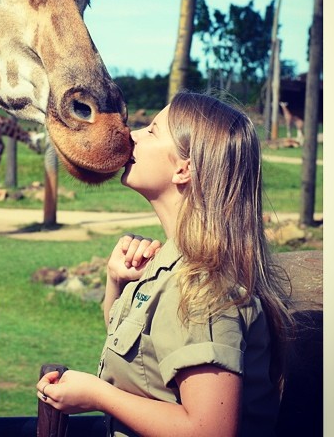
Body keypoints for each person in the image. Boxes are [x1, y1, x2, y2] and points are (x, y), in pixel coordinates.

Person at [36, 91, 292, 437]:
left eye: (152, 131)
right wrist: (117, 282)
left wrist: (98, 395)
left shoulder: (205, 289)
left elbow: (210, 430)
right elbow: (141, 349)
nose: (132, 135)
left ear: (184, 169)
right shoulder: (174, 262)